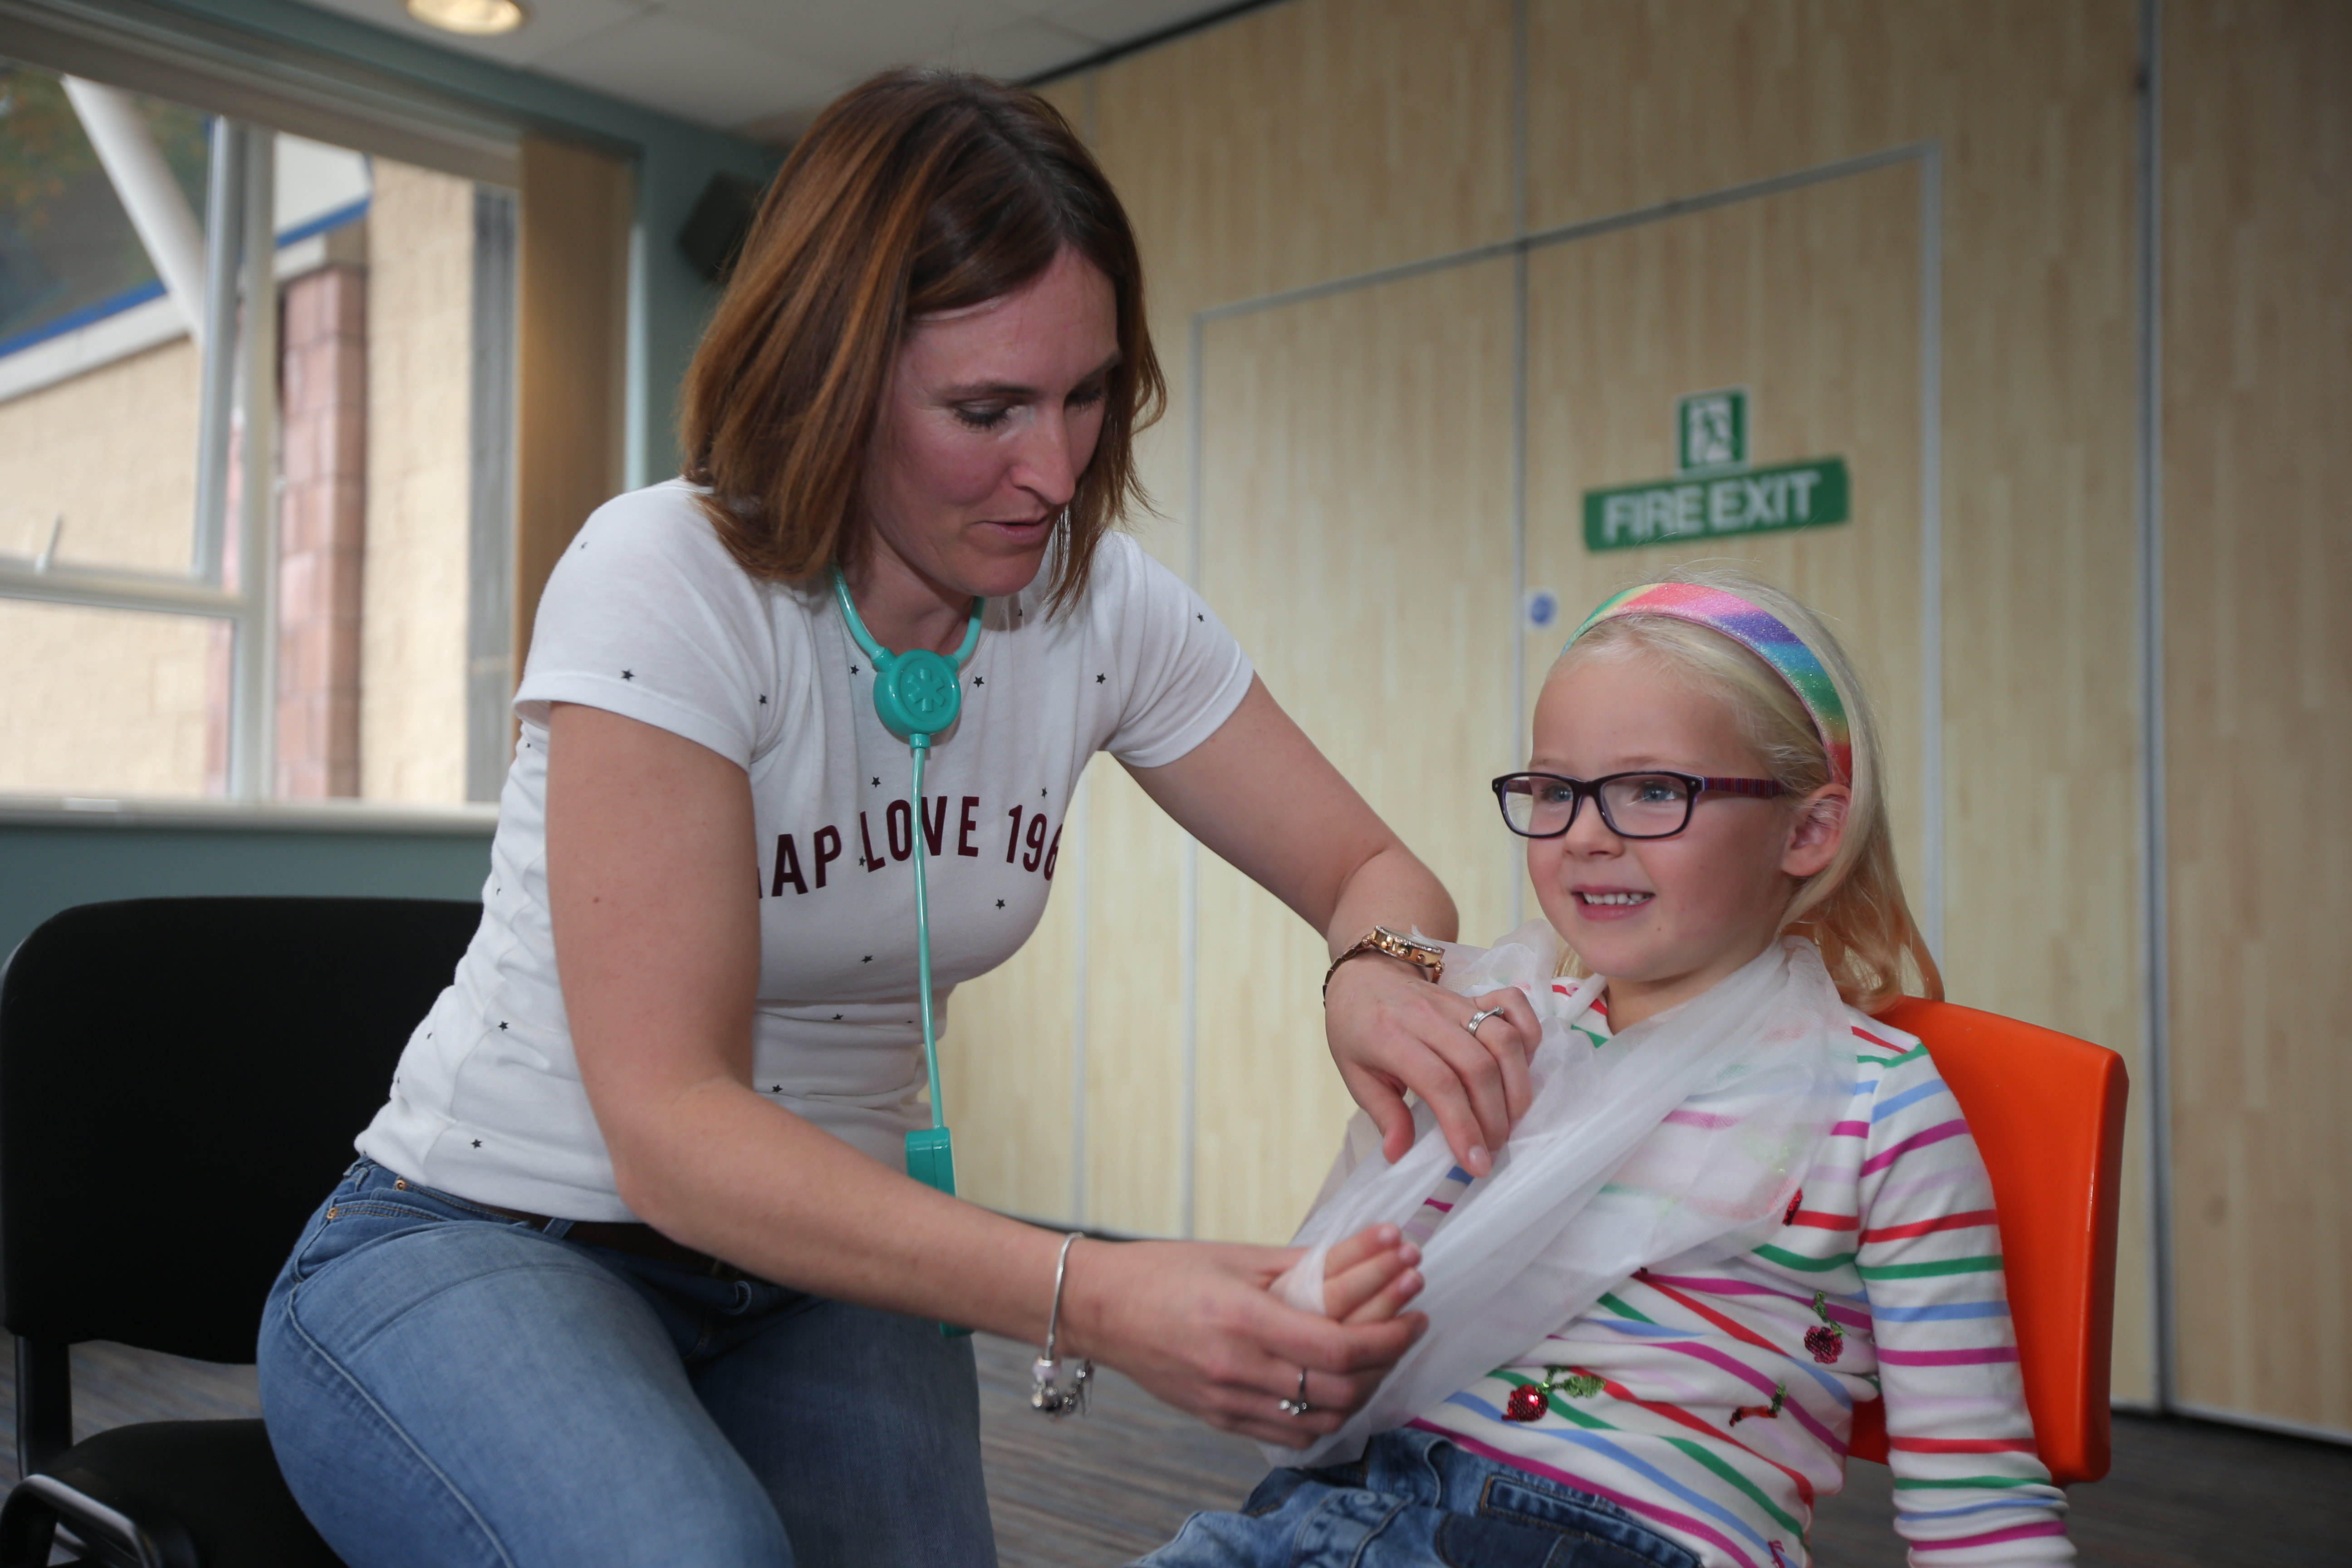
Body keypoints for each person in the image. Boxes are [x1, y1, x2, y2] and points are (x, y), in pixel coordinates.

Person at [254, 69, 1545, 1568]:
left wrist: (1377, 959)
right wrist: (1103, 1292)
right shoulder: (665, 578)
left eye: (1085, 395)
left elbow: (1373, 868)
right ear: (832, 376)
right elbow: (671, 1131)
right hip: (484, 1234)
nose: (1054, 472)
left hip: (815, 1267)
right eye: (985, 409)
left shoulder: (1099, 607)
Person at [1141, 569, 2073, 1568]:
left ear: (1808, 831)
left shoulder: (1881, 1110)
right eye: (1554, 790)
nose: (1587, 834)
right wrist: (1325, 1316)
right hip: (1341, 1510)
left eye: (1652, 790)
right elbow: (1390, 1316)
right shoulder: (1509, 1040)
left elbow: (1976, 1495)